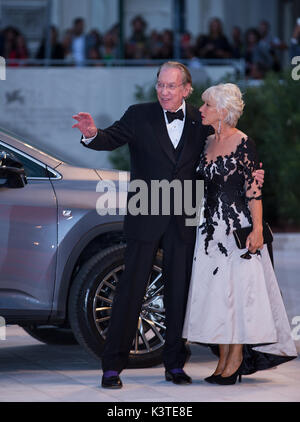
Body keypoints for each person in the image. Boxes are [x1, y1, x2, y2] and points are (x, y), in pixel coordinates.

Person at [72, 62, 264, 389]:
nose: (164, 91)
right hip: (145, 212)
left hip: (185, 216)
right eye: (160, 85)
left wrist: (250, 194)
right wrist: (92, 135)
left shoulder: (200, 120)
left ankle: (175, 364)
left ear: (186, 89)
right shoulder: (138, 114)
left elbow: (226, 152)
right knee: (130, 291)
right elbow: (109, 138)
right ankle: (112, 366)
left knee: (179, 293)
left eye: (171, 86)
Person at [182, 83, 298, 385]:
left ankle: (234, 362)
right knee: (217, 296)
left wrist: (257, 229)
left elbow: (253, 190)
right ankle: (223, 359)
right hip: (208, 230)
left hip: (235, 230)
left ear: (222, 110)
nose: (202, 109)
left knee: (234, 295)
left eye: (207, 105)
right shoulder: (205, 142)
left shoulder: (243, 142)